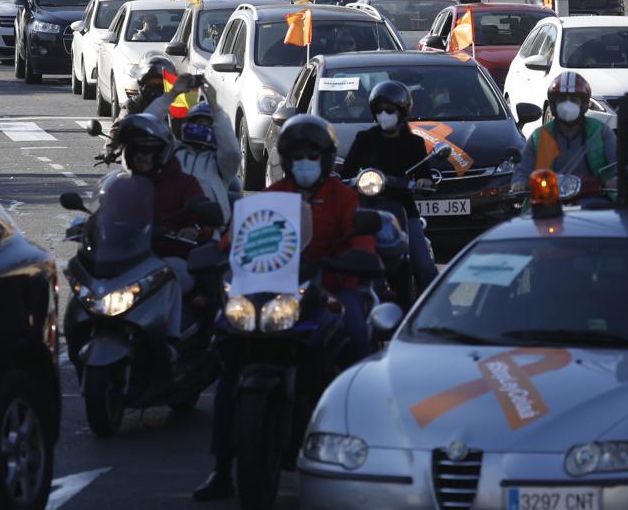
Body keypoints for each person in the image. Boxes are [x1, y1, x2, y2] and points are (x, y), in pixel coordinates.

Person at [192, 115, 375, 502]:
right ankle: (222, 469)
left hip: (332, 290)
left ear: (325, 159)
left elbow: (363, 246)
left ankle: (363, 447)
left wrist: (350, 262)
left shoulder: (345, 199)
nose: (304, 163)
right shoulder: (274, 195)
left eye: (312, 156)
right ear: (286, 160)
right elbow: (238, 239)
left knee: (358, 338)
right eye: (297, 157)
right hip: (273, 296)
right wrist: (215, 252)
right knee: (227, 360)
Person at [339, 81, 440, 296]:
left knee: (424, 266)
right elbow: (346, 172)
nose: (384, 114)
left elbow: (425, 176)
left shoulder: (414, 143)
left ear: (402, 112)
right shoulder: (364, 139)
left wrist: (424, 182)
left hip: (403, 207)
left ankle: (432, 313)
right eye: (379, 110)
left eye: (390, 110)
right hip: (367, 207)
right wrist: (349, 181)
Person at [111, 114, 207, 338]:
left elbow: (201, 220)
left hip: (168, 257)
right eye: (137, 151)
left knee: (171, 278)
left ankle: (170, 341)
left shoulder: (185, 183)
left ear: (161, 152)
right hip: (125, 262)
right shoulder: (119, 186)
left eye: (149, 151)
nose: (142, 157)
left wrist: (194, 229)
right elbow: (103, 218)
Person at [144, 79, 240, 226]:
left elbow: (232, 152)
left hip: (208, 233)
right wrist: (173, 93)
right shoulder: (172, 152)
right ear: (188, 124)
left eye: (208, 123)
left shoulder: (221, 165)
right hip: (166, 226)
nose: (202, 126)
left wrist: (215, 108)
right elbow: (146, 124)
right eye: (198, 122)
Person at [511, 72, 617, 193]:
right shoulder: (539, 135)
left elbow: (617, 165)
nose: (567, 105)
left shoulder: (601, 131)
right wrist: (519, 182)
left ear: (584, 104)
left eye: (574, 100)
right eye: (562, 100)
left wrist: (615, 179)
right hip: (549, 198)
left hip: (591, 199)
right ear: (553, 104)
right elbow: (523, 169)